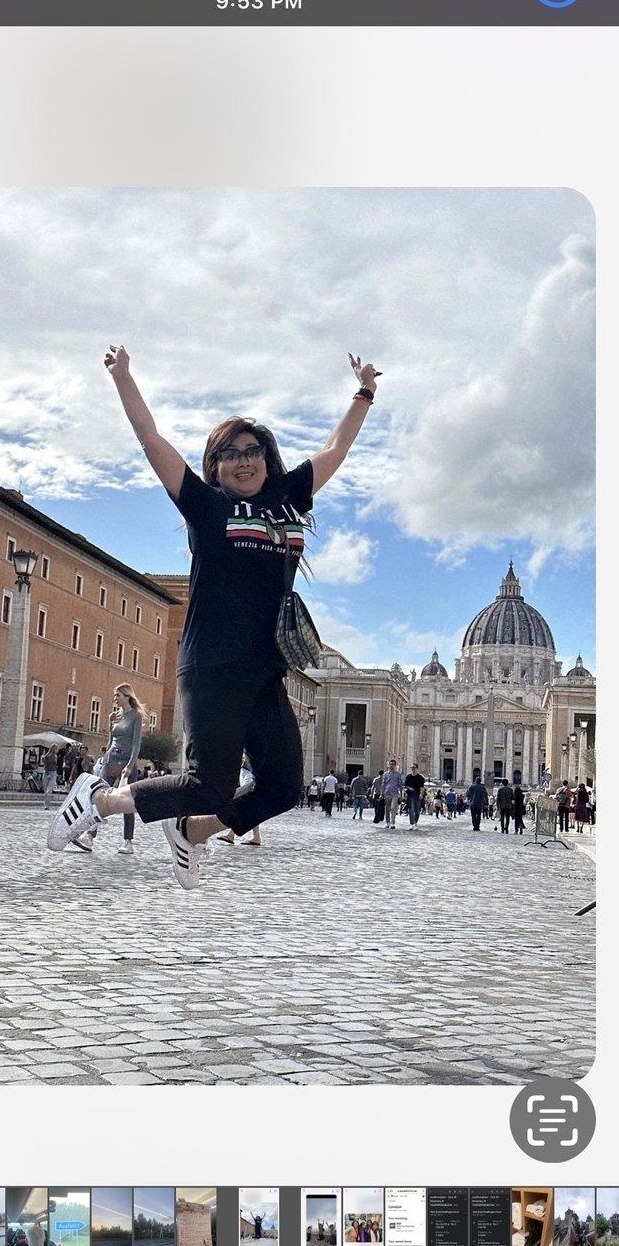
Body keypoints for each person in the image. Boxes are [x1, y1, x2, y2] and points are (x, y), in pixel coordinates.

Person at [49, 347, 382, 888]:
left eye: (253, 451)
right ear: (216, 466)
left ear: (268, 459)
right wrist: (124, 378)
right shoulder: (206, 506)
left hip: (266, 667)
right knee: (211, 782)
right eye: (230, 454)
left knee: (281, 788)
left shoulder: (287, 499)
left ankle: (192, 832)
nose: (243, 461)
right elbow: (152, 440)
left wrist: (364, 393)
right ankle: (100, 798)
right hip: (213, 662)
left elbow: (335, 447)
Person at [72, 685, 145, 855]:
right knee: (98, 797)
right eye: (114, 695)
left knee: (128, 801)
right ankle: (89, 837)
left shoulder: (136, 716)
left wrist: (129, 765)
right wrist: (105, 754)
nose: (115, 698)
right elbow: (112, 739)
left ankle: (128, 841)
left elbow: (136, 743)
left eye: (118, 695)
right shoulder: (116, 715)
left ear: (127, 696)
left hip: (127, 760)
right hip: (111, 758)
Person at [218, 753, 262, 846]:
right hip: (246, 770)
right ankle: (256, 836)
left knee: (242, 801)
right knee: (250, 805)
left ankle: (232, 834)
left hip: (250, 771)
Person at [381, 759, 403, 829]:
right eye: (390, 764)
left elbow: (400, 785)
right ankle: (387, 822)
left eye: (393, 764)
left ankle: (392, 822)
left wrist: (401, 794)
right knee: (387, 809)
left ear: (395, 765)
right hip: (387, 793)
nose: (391, 766)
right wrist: (382, 793)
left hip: (395, 794)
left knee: (393, 808)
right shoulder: (385, 774)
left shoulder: (398, 775)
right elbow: (383, 784)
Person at [404, 763, 425, 829]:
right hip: (410, 795)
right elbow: (406, 785)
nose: (413, 769)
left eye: (414, 767)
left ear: (417, 768)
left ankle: (415, 822)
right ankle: (412, 823)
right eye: (412, 767)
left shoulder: (420, 778)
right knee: (411, 809)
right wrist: (409, 788)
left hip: (418, 795)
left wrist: (421, 794)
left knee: (417, 810)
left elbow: (422, 787)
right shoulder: (408, 777)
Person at [43, 745, 59, 809]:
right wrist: (47, 773)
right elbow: (45, 765)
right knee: (46, 789)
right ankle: (45, 803)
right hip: (47, 772)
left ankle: (47, 805)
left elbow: (56, 766)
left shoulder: (56, 757)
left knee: (49, 790)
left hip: (53, 772)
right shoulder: (47, 756)